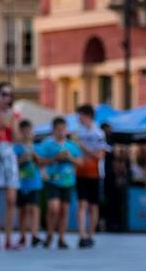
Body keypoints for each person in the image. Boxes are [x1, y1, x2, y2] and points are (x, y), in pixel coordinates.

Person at [36, 116, 83, 249]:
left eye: (63, 129)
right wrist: (55, 158)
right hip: (52, 181)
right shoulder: (47, 144)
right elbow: (39, 161)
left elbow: (80, 163)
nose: (61, 132)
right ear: (53, 130)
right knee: (54, 208)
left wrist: (70, 158)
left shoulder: (72, 146)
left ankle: (61, 238)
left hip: (68, 182)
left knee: (64, 210)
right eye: (58, 130)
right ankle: (50, 233)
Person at [74, 103, 109, 248]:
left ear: (87, 116)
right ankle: (81, 234)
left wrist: (83, 148)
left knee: (93, 205)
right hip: (80, 172)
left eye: (80, 115)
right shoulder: (78, 133)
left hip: (95, 173)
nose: (79, 119)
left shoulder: (98, 133)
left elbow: (100, 155)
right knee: (82, 203)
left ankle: (91, 234)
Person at [14, 119, 42, 247]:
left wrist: (35, 155)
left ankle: (35, 235)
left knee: (34, 208)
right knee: (22, 210)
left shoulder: (37, 147)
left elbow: (42, 163)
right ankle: (22, 235)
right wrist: (21, 159)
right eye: (24, 132)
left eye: (29, 132)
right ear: (20, 133)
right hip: (20, 183)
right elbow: (12, 166)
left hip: (34, 183)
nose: (27, 134)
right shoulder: (16, 148)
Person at [0, 81, 19, 251]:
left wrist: (11, 121)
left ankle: (8, 239)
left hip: (8, 152)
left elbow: (17, 137)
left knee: (11, 199)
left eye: (10, 95)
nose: (7, 98)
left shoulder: (13, 114)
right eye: (4, 94)